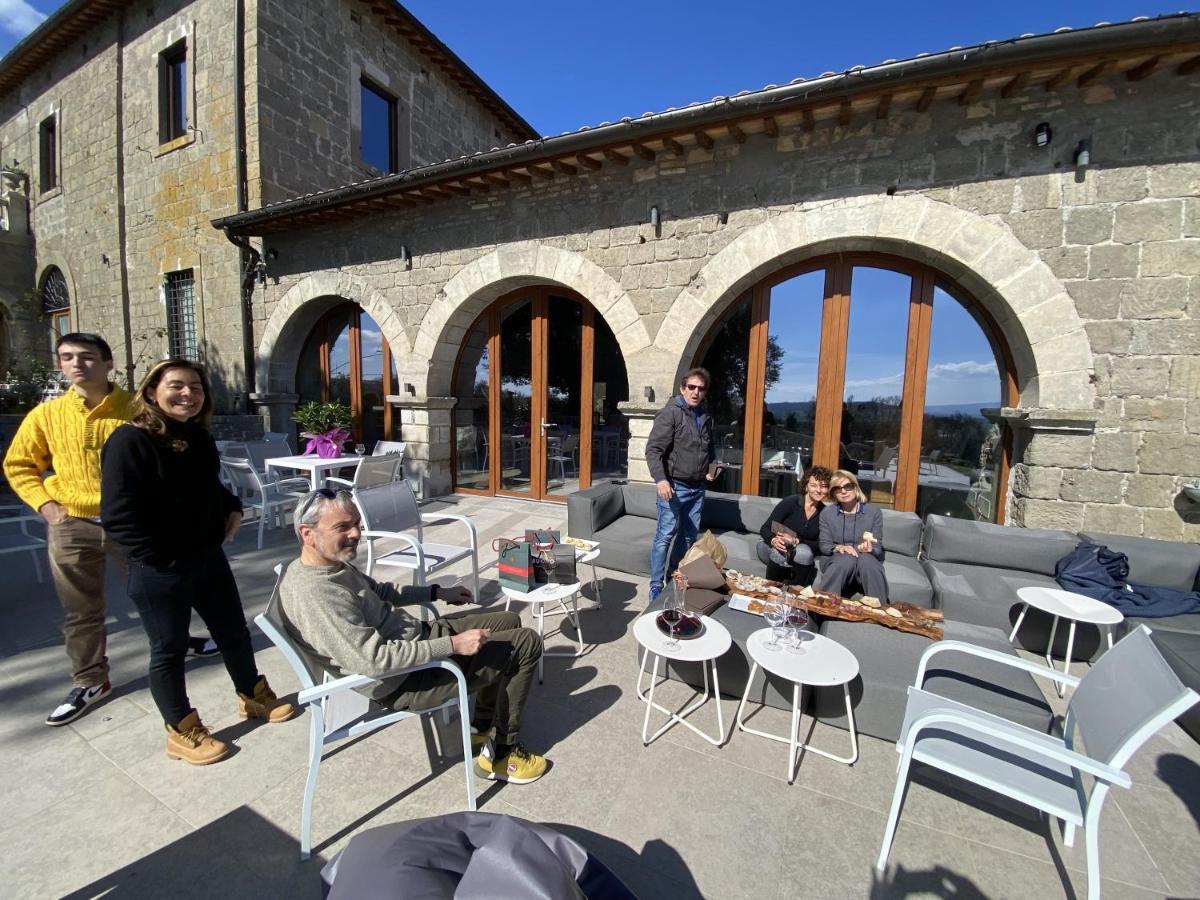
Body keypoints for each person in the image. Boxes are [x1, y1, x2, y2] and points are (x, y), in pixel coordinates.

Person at [2, 333, 215, 728]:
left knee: (163, 591)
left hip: (134, 524)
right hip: (73, 523)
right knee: (81, 609)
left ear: (108, 363)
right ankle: (90, 680)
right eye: (67, 358)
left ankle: (180, 642)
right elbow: (18, 465)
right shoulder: (45, 416)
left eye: (86, 357)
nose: (76, 365)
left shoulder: (137, 409)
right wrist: (46, 506)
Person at [280, 488, 549, 785]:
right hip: (407, 680)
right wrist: (453, 644)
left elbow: (381, 591)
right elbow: (375, 661)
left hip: (417, 639)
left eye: (356, 523)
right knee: (527, 643)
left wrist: (435, 592)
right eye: (343, 527)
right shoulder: (316, 595)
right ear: (307, 534)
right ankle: (501, 755)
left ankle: (481, 729)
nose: (356, 533)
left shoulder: (330, 563)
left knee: (509, 619)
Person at [100, 359, 295, 765]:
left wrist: (234, 507)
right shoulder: (129, 441)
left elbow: (209, 486)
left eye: (196, 387)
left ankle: (252, 695)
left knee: (233, 632)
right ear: (153, 391)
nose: (188, 394)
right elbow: (118, 516)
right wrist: (158, 558)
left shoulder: (197, 438)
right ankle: (181, 728)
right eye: (177, 386)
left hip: (208, 559)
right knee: (168, 650)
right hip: (159, 569)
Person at [645, 367, 717, 602]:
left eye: (701, 388)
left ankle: (672, 576)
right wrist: (661, 479)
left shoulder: (705, 416)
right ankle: (656, 586)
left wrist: (711, 469)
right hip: (674, 487)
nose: (696, 392)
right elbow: (653, 450)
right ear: (682, 388)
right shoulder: (670, 413)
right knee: (665, 536)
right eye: (692, 387)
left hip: (697, 488)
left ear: (705, 392)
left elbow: (710, 450)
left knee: (687, 537)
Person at [815, 470, 889, 602]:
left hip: (865, 558)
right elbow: (825, 546)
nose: (843, 492)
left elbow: (877, 547)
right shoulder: (827, 513)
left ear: (855, 487)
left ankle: (880, 610)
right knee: (846, 559)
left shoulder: (874, 512)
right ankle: (823, 607)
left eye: (847, 486)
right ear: (833, 494)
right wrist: (839, 548)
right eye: (838, 489)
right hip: (837, 559)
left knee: (867, 561)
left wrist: (870, 549)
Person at [756, 465, 832, 585]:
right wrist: (774, 540)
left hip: (797, 548)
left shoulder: (825, 513)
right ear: (806, 486)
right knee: (780, 552)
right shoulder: (792, 502)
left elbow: (821, 544)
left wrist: (796, 541)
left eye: (823, 486)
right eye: (813, 485)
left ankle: (795, 593)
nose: (818, 490)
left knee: (805, 553)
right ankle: (771, 590)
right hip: (769, 544)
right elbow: (765, 528)